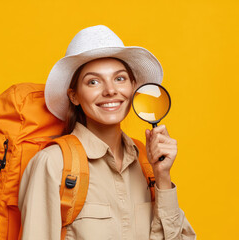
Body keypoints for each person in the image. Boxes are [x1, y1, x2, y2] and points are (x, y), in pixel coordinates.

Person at [18, 25, 196, 239]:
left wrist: (163, 178)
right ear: (74, 96)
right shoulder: (53, 163)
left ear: (133, 87)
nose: (110, 90)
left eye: (119, 78)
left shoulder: (146, 163)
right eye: (93, 81)